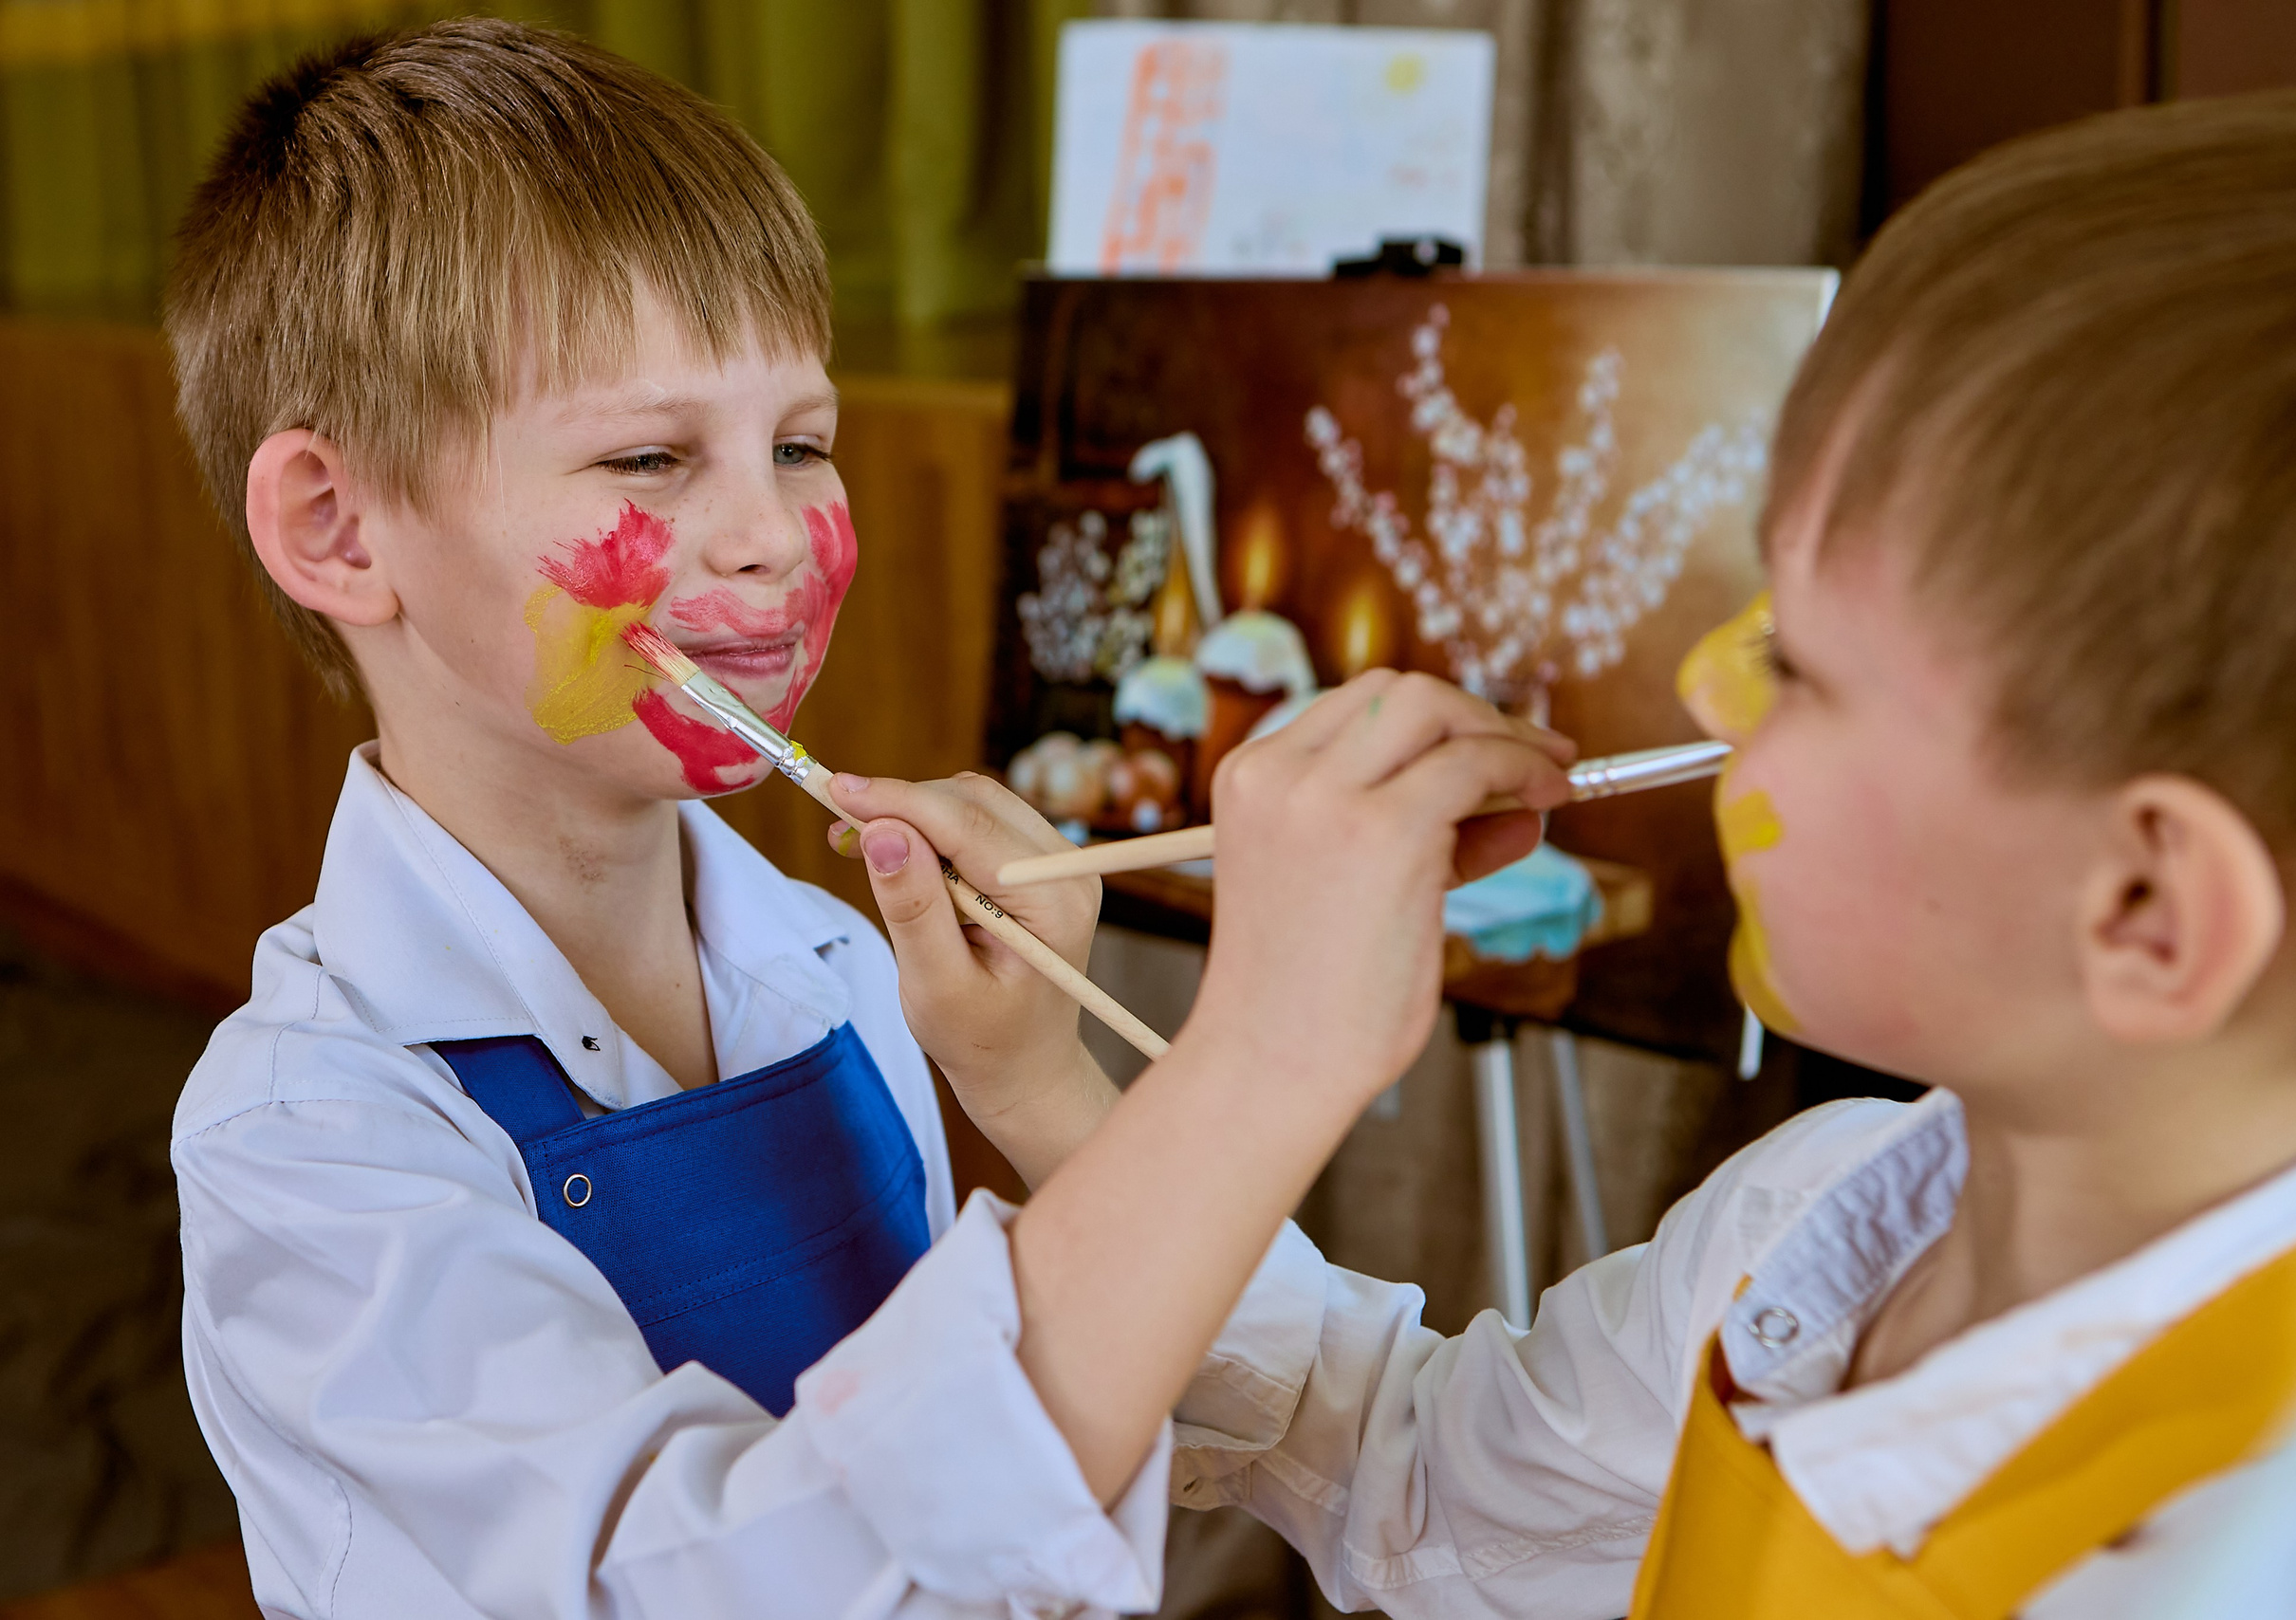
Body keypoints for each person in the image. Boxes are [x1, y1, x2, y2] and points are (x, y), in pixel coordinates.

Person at [850, 88, 2296, 1617]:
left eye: (1799, 665)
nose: (1702, 687)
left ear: (2148, 909)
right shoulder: (1823, 1223)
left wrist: (1271, 1048)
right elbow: (1416, 1484)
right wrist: (1052, 1081)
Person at [164, 18, 1571, 1617]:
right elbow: (730, 1578)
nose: (772, 532)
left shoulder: (837, 962)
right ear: (338, 528)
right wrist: (1255, 1062)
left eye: (802, 444)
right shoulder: (308, 1134)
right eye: (649, 454)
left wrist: (1037, 1077)